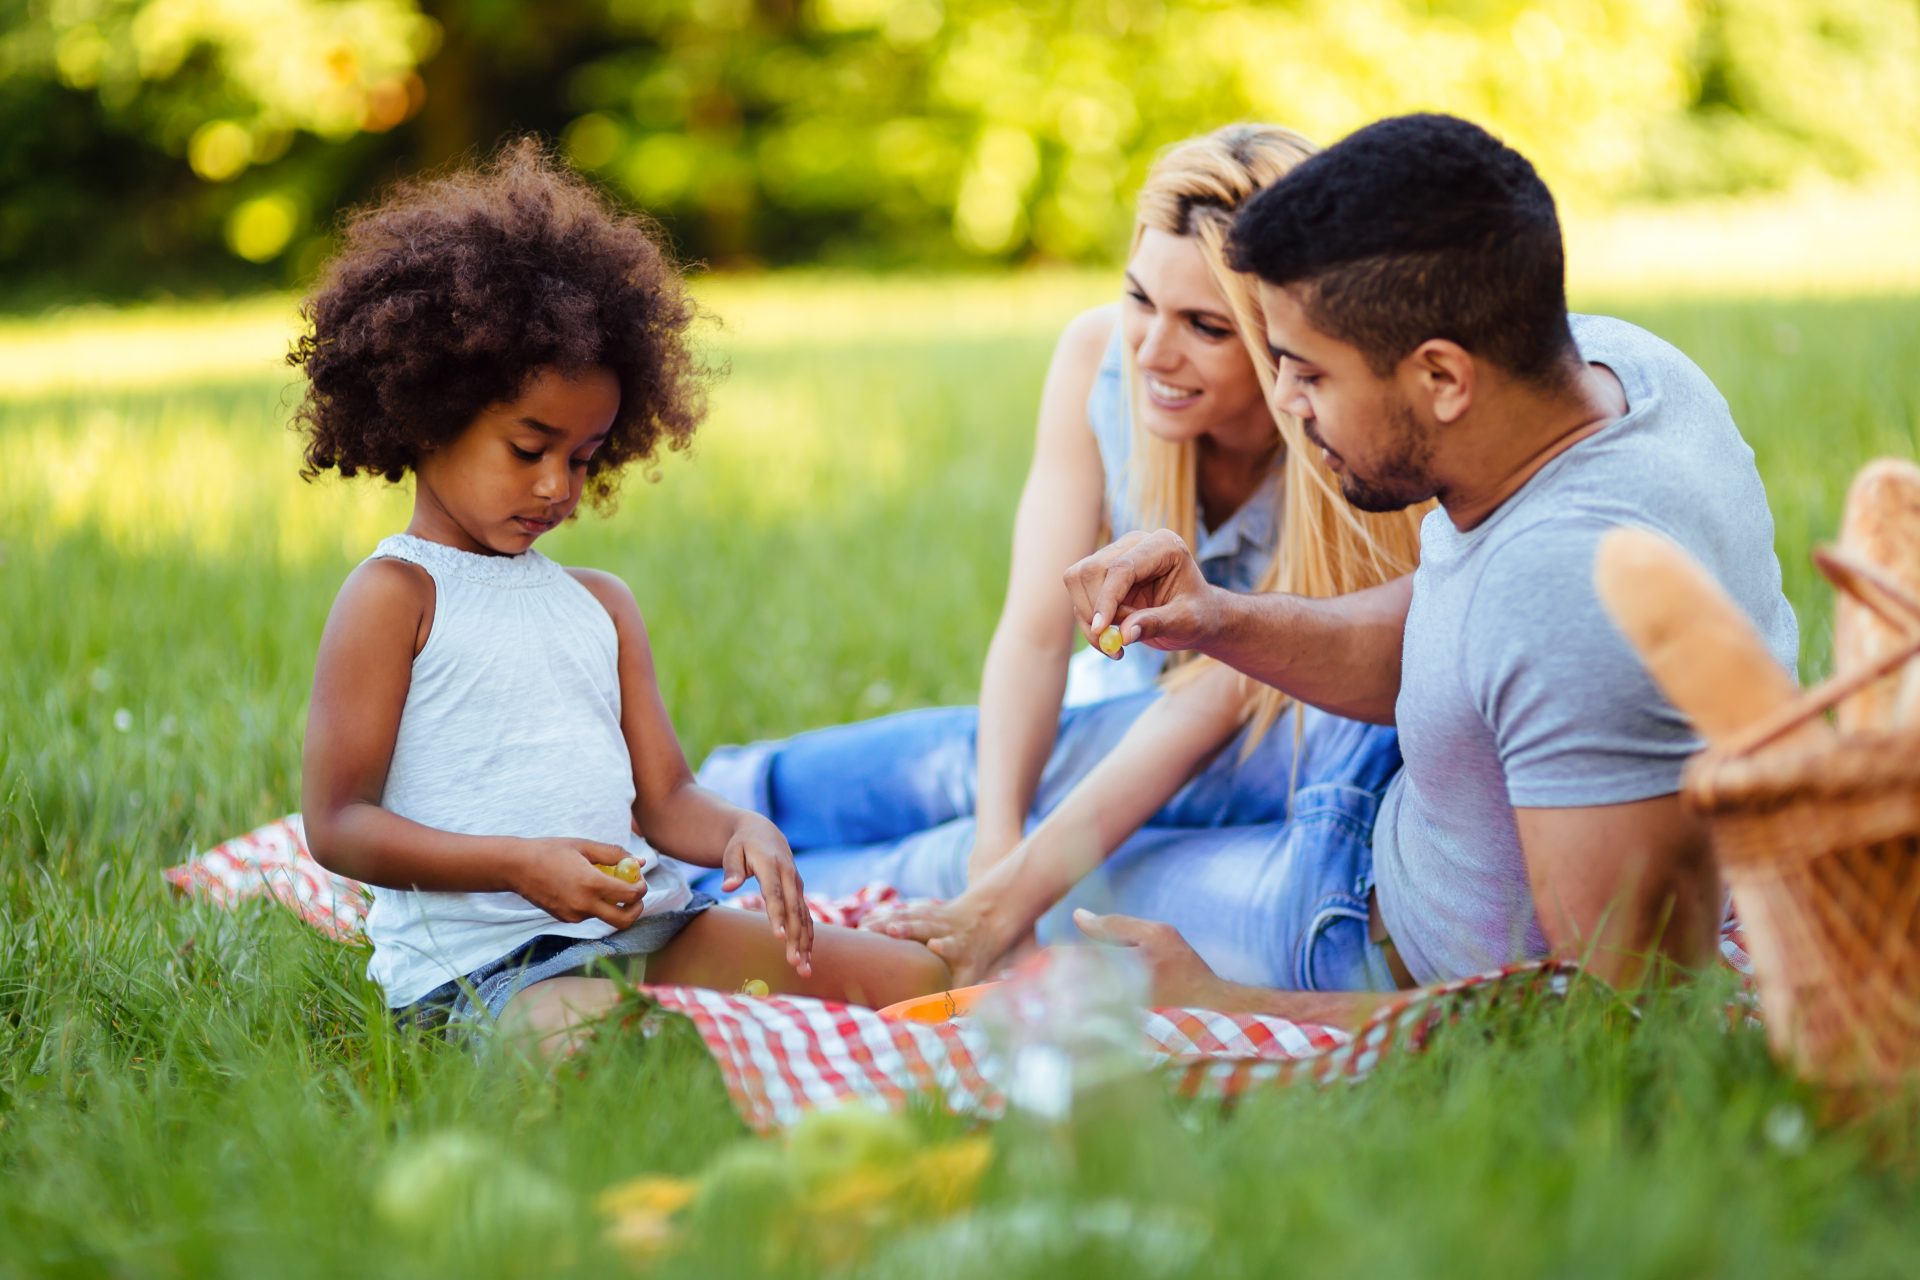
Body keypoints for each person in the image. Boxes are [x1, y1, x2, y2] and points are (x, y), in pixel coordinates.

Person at [1055, 113, 1798, 1024]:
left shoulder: (1563, 593)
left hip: (1348, 931)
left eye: (1308, 374)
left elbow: (1609, 1017)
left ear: (1443, 378)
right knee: (1000, 801)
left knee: (1017, 899)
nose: (1285, 402)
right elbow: (1449, 630)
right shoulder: (1621, 371)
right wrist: (1220, 615)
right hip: (1385, 789)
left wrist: (1231, 1003)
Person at [294, 141, 948, 1050]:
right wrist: (520, 867)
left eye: (584, 457)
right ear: (429, 410)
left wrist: (741, 830)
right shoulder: (395, 595)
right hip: (489, 971)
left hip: (651, 930)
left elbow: (668, 797)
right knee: (612, 1047)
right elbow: (339, 825)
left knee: (914, 984)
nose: (559, 486)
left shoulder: (600, 603)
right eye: (529, 449)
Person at [688, 124, 1428, 915]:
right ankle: (714, 807)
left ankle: (721, 880)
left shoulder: (1349, 445)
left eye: (1206, 327)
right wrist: (999, 836)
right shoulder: (1100, 361)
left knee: (1072, 795)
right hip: (1112, 714)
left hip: (1260, 742)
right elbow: (1037, 633)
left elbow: (1220, 706)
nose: (1151, 351)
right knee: (990, 775)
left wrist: (1005, 884)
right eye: (1141, 299)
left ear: (1285, 335)